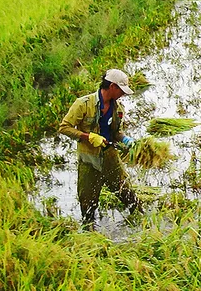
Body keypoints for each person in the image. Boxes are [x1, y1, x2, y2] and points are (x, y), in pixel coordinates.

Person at [58, 69, 140, 230]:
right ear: (112, 86)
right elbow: (64, 127)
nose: (123, 94)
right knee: (88, 201)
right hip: (89, 159)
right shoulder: (83, 104)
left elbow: (116, 132)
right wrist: (88, 136)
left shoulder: (118, 109)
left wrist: (125, 139)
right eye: (121, 90)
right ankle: (89, 232)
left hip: (110, 156)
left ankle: (138, 223)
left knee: (126, 193)